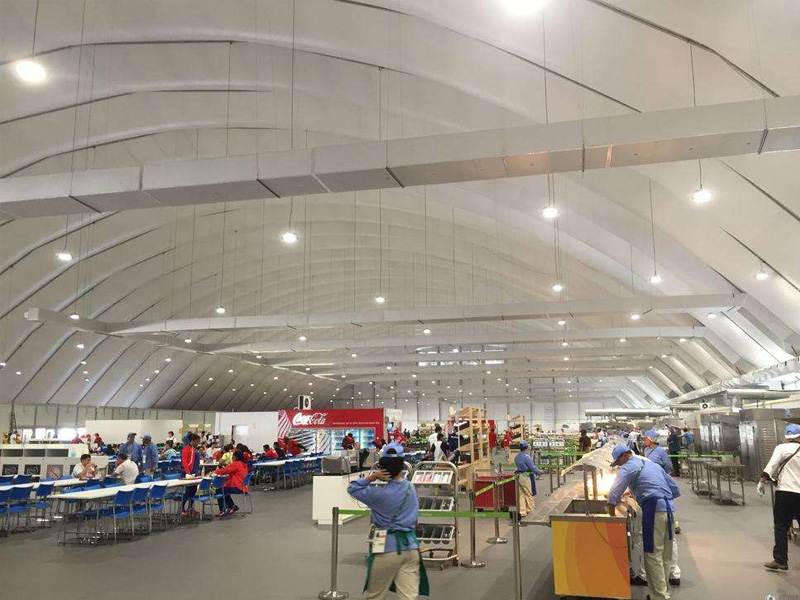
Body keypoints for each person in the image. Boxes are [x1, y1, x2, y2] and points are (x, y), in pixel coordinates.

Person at [347, 443, 429, 600]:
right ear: (402, 465)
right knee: (408, 597)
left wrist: (372, 477)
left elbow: (353, 488)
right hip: (411, 547)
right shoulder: (411, 488)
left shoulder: (377, 494)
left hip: (386, 548)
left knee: (376, 595)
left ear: (382, 466)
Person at [607, 445, 680, 600]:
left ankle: (659, 597)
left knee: (652, 554)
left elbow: (614, 491)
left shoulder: (627, 467)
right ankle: (661, 592)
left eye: (618, 461)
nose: (618, 465)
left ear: (625, 455)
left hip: (653, 510)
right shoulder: (650, 464)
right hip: (669, 510)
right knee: (665, 555)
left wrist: (611, 512)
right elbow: (674, 488)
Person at [638, 429, 681, 587]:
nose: (644, 441)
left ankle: (672, 574)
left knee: (666, 541)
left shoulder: (660, 452)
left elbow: (668, 467)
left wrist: (660, 479)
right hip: (658, 497)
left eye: (646, 438)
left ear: (651, 439)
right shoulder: (646, 451)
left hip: (660, 498)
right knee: (660, 543)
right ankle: (660, 579)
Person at [758, 423, 800, 571]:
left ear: (786, 437)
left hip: (785, 493)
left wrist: (762, 481)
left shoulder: (781, 448)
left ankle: (780, 560)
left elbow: (772, 465)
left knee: (781, 527)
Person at [212, 449, 249, 516]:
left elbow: (225, 470)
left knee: (219, 490)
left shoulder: (236, 464)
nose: (232, 458)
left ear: (236, 457)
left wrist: (214, 472)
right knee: (224, 490)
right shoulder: (244, 464)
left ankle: (223, 510)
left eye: (233, 457)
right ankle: (231, 506)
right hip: (244, 487)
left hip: (237, 486)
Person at [514, 441, 543, 518]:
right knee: (529, 493)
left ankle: (522, 512)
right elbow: (532, 467)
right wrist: (540, 472)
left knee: (521, 495)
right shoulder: (527, 457)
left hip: (519, 476)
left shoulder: (516, 457)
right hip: (526, 476)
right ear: (526, 448)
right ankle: (531, 512)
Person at [181, 433, 202, 517]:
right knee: (188, 492)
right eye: (197, 441)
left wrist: (197, 472)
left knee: (193, 492)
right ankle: (182, 509)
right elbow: (184, 462)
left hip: (194, 473)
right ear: (192, 441)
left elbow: (196, 461)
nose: (198, 443)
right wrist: (188, 473)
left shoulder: (194, 449)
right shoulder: (186, 449)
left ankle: (190, 508)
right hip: (187, 474)